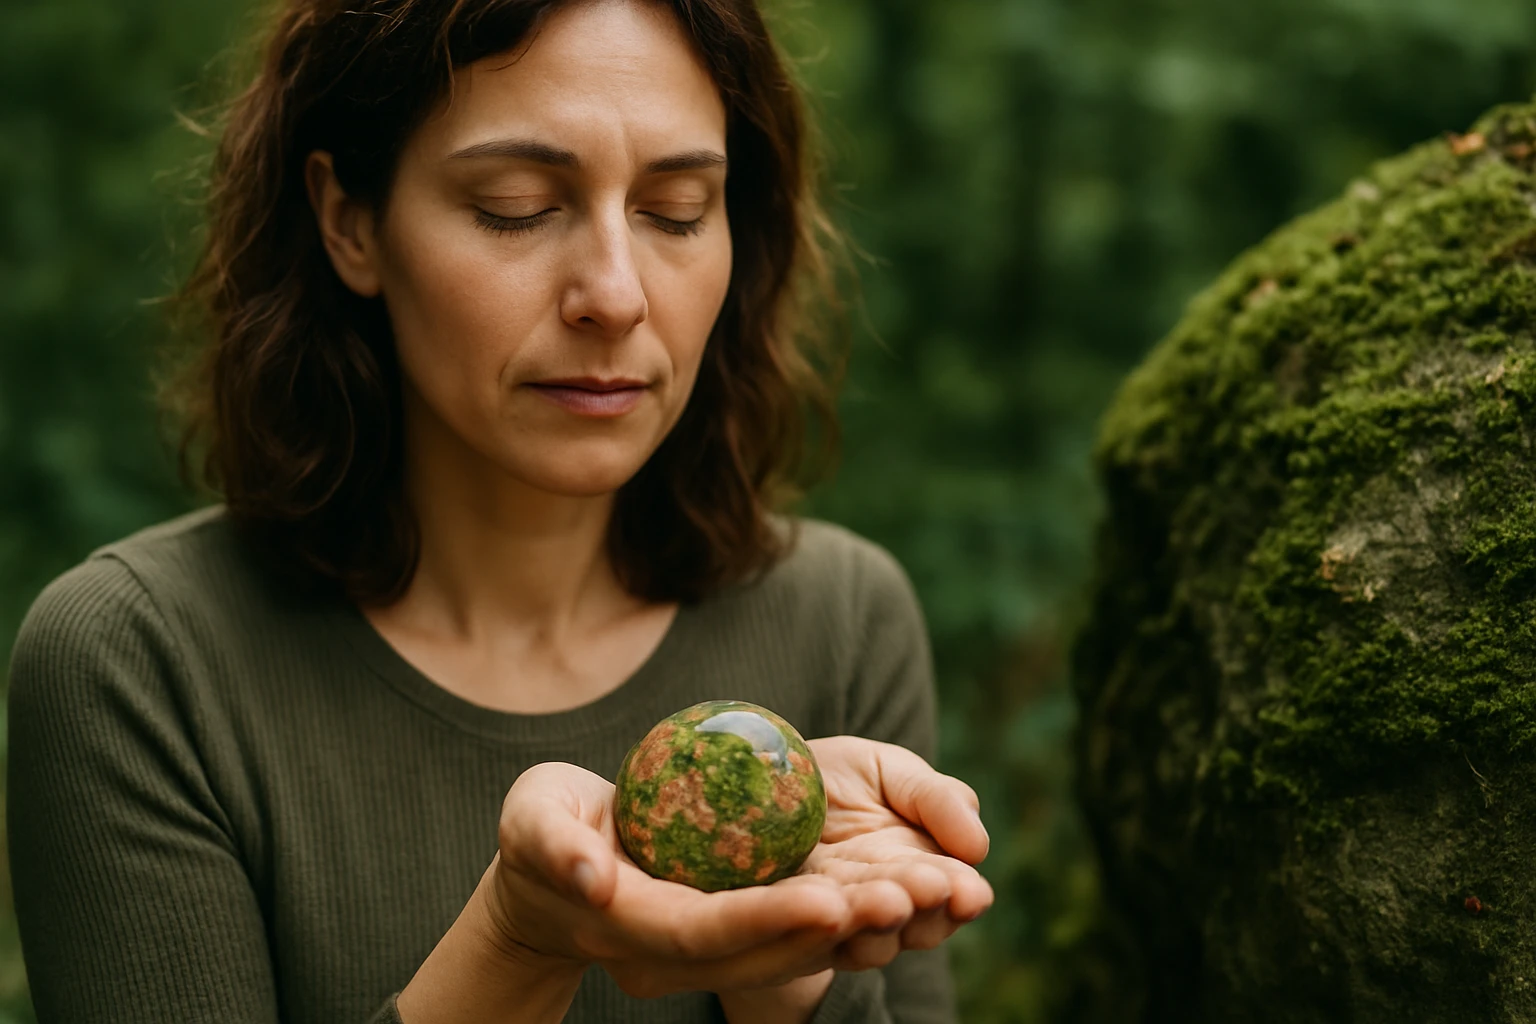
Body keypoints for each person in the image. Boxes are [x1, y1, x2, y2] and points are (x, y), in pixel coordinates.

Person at [5, 0, 993, 1021]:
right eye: (517, 205)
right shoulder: (141, 664)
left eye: (677, 210)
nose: (614, 294)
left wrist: (785, 970)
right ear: (349, 220)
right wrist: (518, 943)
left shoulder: (840, 618)